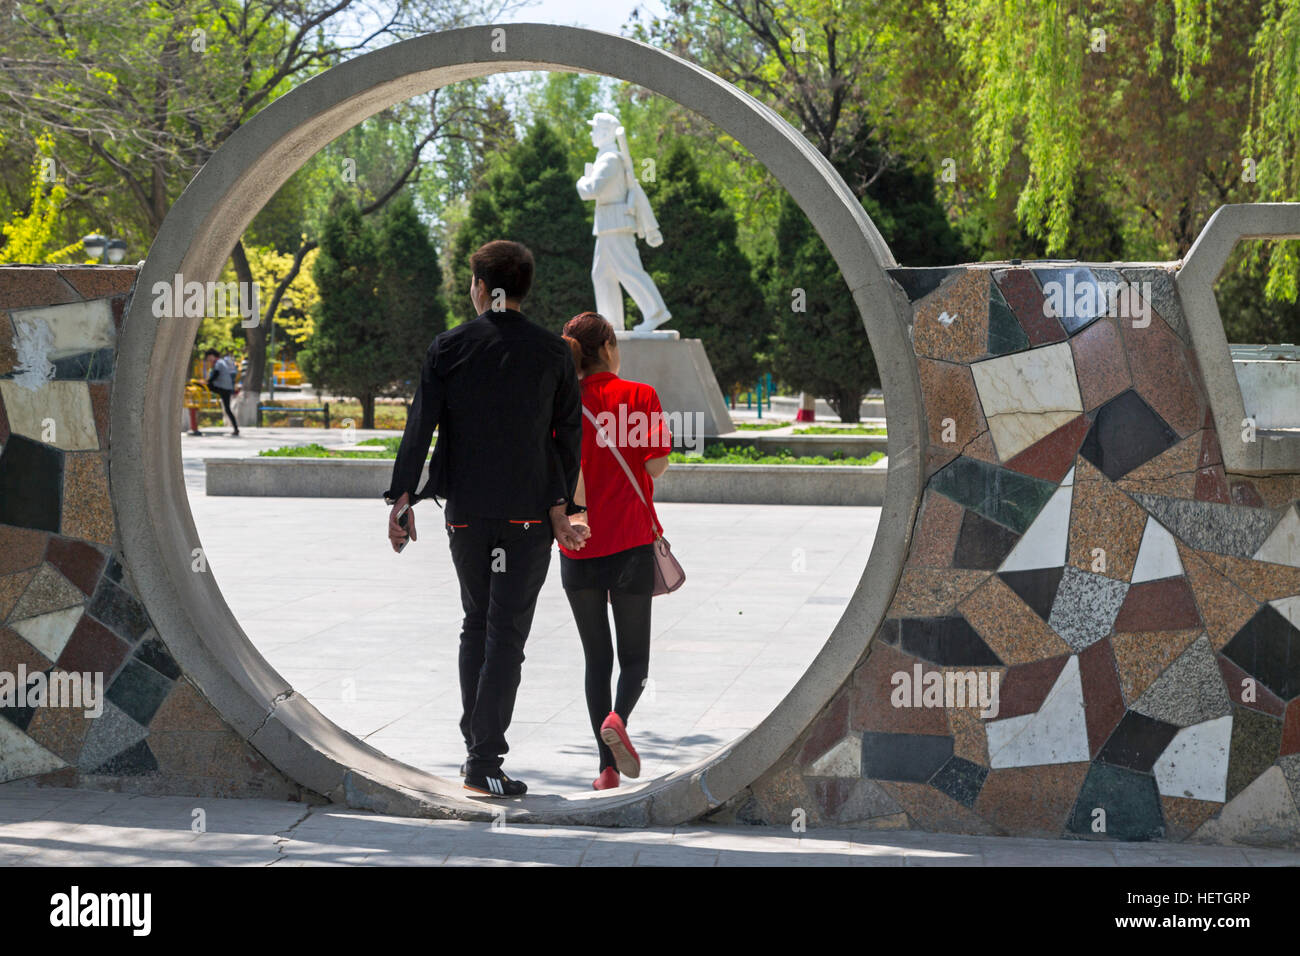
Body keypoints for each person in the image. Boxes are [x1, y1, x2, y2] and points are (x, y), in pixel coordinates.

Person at [384, 240, 590, 798]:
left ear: (481, 287)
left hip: (467, 515)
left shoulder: (448, 348)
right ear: (523, 289)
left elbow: (419, 426)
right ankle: (483, 757)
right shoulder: (553, 353)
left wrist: (402, 499)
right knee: (506, 633)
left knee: (477, 623)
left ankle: (477, 748)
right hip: (527, 518)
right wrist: (563, 507)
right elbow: (568, 438)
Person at [558, 311, 672, 790]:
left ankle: (605, 770)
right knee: (636, 661)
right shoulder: (640, 397)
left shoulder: (562, 403)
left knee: (596, 660)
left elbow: (561, 472)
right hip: (629, 544)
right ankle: (618, 718)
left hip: (578, 546)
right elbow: (658, 466)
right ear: (606, 346)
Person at [204, 348, 240, 437]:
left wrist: (207, 382)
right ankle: (236, 429)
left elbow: (216, 374)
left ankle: (236, 429)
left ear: (213, 356)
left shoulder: (219, 363)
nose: (209, 360)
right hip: (225, 388)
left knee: (227, 409)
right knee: (227, 409)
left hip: (224, 388)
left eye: (209, 358)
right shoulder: (219, 362)